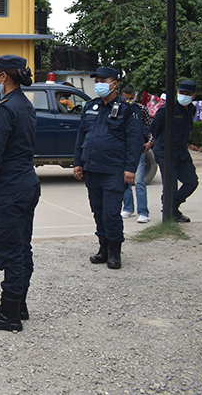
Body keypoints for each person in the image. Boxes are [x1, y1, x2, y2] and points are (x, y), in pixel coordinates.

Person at [0, 56, 39, 332]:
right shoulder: (24, 104)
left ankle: (9, 315)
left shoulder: (6, 108)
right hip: (26, 183)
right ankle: (18, 303)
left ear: (3, 76)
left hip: (11, 188)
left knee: (11, 252)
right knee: (23, 247)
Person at [74, 67, 143, 270]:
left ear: (114, 83)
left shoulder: (128, 108)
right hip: (92, 168)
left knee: (111, 213)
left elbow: (134, 141)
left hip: (114, 170)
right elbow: (81, 137)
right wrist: (78, 162)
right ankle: (103, 249)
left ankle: (115, 252)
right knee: (98, 211)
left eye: (103, 80)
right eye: (97, 80)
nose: (99, 84)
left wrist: (130, 168)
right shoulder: (90, 106)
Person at [150, 80, 199, 223]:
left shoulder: (192, 110)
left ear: (193, 95)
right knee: (170, 186)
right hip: (165, 151)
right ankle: (170, 214)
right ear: (177, 92)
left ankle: (172, 206)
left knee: (192, 182)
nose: (183, 96)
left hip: (181, 152)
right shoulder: (167, 109)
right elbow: (155, 128)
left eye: (187, 94)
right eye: (181, 93)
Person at [119, 86, 154, 223]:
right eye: (125, 99)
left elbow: (152, 127)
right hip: (122, 149)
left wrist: (150, 142)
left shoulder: (141, 109)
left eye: (131, 98)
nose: (128, 101)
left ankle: (143, 212)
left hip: (137, 149)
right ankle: (128, 208)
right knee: (125, 181)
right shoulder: (117, 109)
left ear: (134, 97)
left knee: (139, 181)